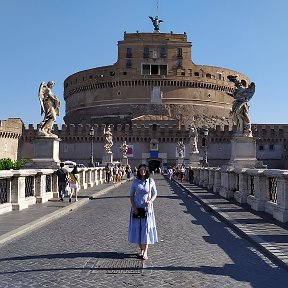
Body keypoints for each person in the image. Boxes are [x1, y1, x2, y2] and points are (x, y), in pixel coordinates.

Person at [128, 164, 158, 260]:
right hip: (137, 208)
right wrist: (133, 207)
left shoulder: (150, 181)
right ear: (138, 171)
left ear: (146, 171)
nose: (142, 172)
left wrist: (151, 201)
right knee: (138, 229)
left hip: (147, 209)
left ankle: (145, 252)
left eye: (144, 170)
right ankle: (141, 250)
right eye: (141, 170)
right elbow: (131, 195)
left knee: (145, 229)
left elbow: (155, 193)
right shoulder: (135, 181)